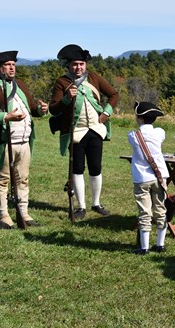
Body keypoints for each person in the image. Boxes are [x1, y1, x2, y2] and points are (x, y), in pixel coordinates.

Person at [0, 50, 49, 228]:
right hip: (2, 141)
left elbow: (32, 108)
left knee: (23, 178)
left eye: (13, 65)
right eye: (8, 65)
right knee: (2, 179)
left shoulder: (20, 85)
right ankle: (4, 216)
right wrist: (5, 117)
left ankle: (23, 213)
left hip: (23, 140)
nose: (12, 68)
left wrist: (42, 110)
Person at [49, 44, 120, 220]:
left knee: (96, 168)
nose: (78, 67)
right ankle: (81, 206)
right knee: (78, 169)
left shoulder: (94, 78)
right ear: (68, 65)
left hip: (95, 130)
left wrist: (106, 113)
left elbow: (114, 94)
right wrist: (66, 99)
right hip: (75, 132)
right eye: (74, 64)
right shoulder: (62, 82)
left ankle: (96, 203)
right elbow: (54, 108)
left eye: (81, 64)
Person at [128, 102, 169, 255]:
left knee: (144, 212)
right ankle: (160, 244)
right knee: (160, 210)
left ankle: (144, 247)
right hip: (160, 177)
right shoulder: (160, 133)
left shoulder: (133, 135)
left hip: (141, 178)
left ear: (139, 118)